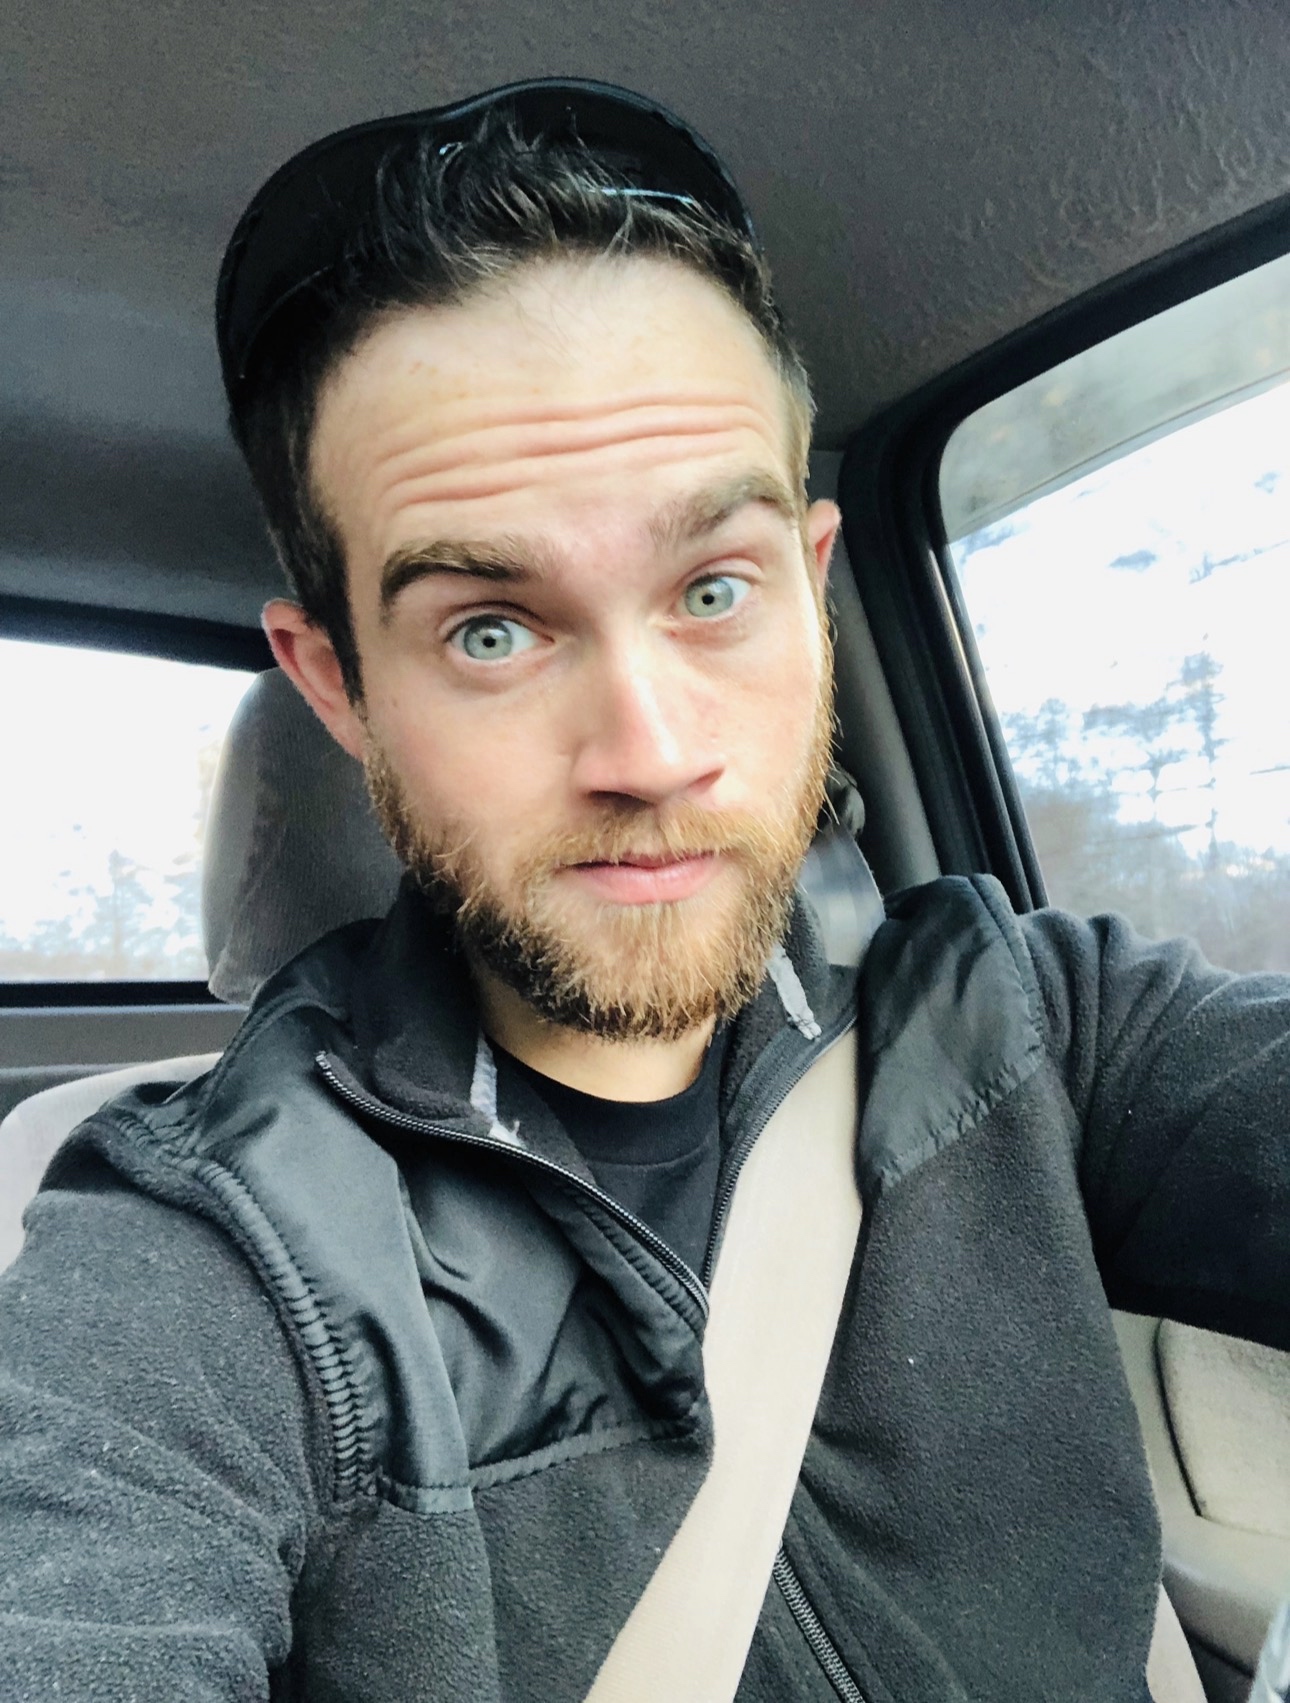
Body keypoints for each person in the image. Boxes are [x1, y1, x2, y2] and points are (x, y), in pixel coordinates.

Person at [0, 77, 1287, 1703]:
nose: (652, 751)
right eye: (490, 628)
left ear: (810, 587)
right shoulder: (206, 1257)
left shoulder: (1034, 1028)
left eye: (713, 589)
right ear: (336, 685)